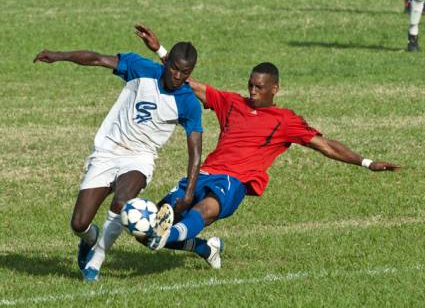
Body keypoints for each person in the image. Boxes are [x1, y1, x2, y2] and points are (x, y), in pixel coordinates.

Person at [135, 25, 400, 269]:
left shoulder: (285, 120)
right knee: (148, 233)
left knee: (202, 212)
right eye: (250, 85)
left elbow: (326, 146)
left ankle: (173, 234)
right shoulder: (232, 102)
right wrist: (160, 50)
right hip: (203, 174)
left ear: (275, 89)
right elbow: (186, 81)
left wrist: (366, 162)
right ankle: (205, 248)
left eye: (259, 87)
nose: (252, 91)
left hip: (233, 181)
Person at [33, 42, 203, 281]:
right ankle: (90, 239)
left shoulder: (188, 103)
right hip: (107, 151)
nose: (177, 76)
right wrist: (60, 54)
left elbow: (195, 151)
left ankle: (95, 262)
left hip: (140, 157)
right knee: (79, 224)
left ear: (190, 71)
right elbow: (96, 58)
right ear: (167, 62)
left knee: (122, 202)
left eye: (184, 72)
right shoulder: (140, 68)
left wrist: (190, 192)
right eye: (174, 68)